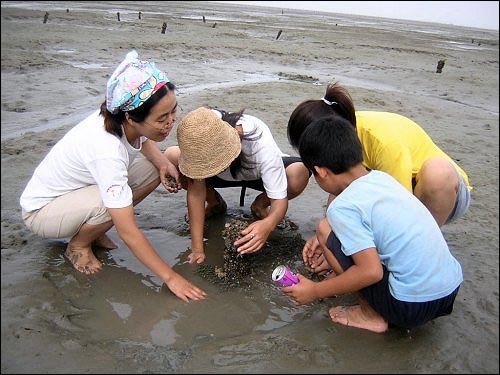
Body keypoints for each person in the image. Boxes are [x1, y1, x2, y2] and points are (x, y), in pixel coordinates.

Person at [19, 50, 207, 302]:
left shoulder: (121, 117)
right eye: (161, 118)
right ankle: (79, 245)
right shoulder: (106, 149)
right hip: (43, 212)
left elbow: (141, 137)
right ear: (130, 117)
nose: (171, 122)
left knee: (159, 164)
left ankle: (92, 228)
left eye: (173, 110)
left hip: (80, 192)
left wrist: (162, 162)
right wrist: (171, 278)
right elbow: (127, 230)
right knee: (116, 204)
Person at [282, 115, 463, 333]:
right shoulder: (382, 179)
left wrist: (316, 291)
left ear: (320, 171)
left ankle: (369, 315)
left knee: (324, 229)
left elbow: (371, 272)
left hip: (411, 307)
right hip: (449, 291)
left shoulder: (342, 206)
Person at [288, 82, 472, 275]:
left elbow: (397, 211)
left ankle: (420, 253)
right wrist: (328, 237)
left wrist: (352, 257)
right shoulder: (343, 131)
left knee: (437, 173)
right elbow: (342, 191)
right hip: (399, 196)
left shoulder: (382, 142)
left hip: (442, 195)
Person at [164, 107, 310, 263]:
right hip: (218, 175)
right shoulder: (201, 132)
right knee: (170, 156)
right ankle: (215, 203)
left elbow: (279, 201)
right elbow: (195, 193)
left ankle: (260, 205)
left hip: (257, 174)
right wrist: (197, 248)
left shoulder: (260, 147)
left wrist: (269, 223)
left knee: (298, 173)